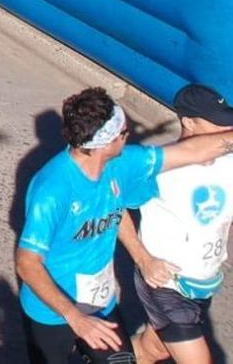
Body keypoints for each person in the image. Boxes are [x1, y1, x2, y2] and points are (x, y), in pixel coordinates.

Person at [15, 86, 233, 364]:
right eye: (123, 134)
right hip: (52, 311)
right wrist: (74, 317)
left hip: (100, 303)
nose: (128, 137)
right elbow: (27, 263)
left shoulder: (123, 163)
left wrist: (142, 258)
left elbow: (192, 151)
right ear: (103, 144)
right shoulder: (53, 189)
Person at [123, 84, 233, 364]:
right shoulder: (158, 166)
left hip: (204, 282)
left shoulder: (228, 161)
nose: (226, 130)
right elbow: (112, 206)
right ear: (189, 122)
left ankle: (97, 356)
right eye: (219, 124)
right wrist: (144, 259)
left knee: (153, 350)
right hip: (167, 284)